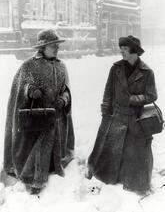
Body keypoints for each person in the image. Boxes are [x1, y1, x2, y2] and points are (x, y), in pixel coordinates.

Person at [3, 29, 75, 194]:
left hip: (56, 118)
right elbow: (19, 89)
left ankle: (51, 168)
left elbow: (66, 89)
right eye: (53, 45)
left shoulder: (61, 66)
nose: (57, 48)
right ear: (42, 47)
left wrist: (64, 99)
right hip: (36, 120)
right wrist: (30, 90)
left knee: (52, 147)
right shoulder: (29, 66)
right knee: (36, 148)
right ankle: (34, 178)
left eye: (57, 45)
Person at [86, 35, 158, 195]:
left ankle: (134, 183)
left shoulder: (147, 72)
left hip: (135, 118)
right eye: (122, 49)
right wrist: (106, 110)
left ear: (134, 51)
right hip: (116, 116)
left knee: (136, 152)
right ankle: (105, 176)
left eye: (125, 49)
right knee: (109, 148)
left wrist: (133, 99)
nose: (122, 52)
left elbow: (152, 95)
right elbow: (108, 91)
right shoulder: (116, 68)